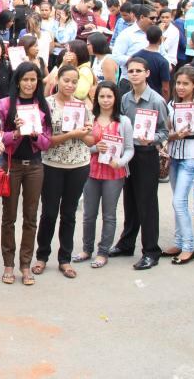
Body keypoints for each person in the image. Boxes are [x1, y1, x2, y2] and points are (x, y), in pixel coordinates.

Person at [110, 56, 170, 270]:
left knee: (147, 204)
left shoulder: (156, 100)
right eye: (131, 71)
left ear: (147, 73)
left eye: (138, 71)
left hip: (146, 154)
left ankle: (151, 251)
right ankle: (126, 243)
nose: (134, 74)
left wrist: (151, 139)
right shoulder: (125, 98)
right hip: (129, 154)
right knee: (130, 201)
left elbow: (165, 131)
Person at [35, 65, 93, 279]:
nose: (70, 85)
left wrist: (84, 133)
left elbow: (91, 141)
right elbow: (44, 141)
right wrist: (71, 134)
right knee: (49, 213)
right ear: (57, 80)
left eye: (74, 82)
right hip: (52, 165)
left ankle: (65, 259)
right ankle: (42, 256)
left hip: (78, 165)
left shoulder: (82, 106)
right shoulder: (46, 105)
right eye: (66, 80)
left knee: (69, 214)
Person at [0, 62, 53, 286]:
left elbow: (47, 142)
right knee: (9, 217)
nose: (29, 84)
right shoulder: (5, 104)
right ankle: (8, 264)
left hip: (35, 166)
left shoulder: (43, 105)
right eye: (25, 79)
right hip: (12, 165)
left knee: (30, 217)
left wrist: (34, 135)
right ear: (18, 81)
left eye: (33, 79)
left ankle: (25, 264)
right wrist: (16, 133)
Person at [73, 82, 133, 269]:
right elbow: (82, 146)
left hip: (114, 173)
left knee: (109, 215)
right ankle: (86, 249)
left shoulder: (123, 122)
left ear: (115, 98)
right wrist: (95, 148)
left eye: (109, 96)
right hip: (91, 171)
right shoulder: (90, 119)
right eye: (102, 96)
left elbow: (130, 149)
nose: (105, 100)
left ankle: (103, 251)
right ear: (96, 98)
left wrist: (120, 162)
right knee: (89, 214)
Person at [162, 66, 194, 265]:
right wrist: (174, 136)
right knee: (178, 200)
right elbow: (166, 131)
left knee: (179, 201)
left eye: (185, 83)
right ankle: (179, 242)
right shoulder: (172, 104)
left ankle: (188, 247)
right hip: (174, 154)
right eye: (178, 83)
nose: (181, 87)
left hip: (192, 155)